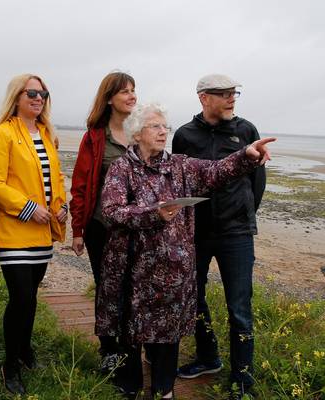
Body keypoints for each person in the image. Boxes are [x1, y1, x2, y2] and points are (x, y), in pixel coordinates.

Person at [96, 103, 274, 399]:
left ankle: (164, 390)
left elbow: (216, 171)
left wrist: (245, 155)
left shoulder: (179, 165)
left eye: (165, 126)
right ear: (137, 134)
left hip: (172, 269)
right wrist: (154, 213)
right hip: (131, 267)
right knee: (130, 329)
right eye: (155, 126)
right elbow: (112, 211)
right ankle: (130, 387)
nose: (164, 131)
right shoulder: (122, 168)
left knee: (167, 334)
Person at [173, 74, 265, 399]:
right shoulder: (184, 135)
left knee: (239, 307)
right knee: (194, 299)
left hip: (236, 234)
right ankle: (208, 358)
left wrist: (242, 213)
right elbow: (178, 181)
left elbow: (257, 183)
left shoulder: (246, 131)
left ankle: (243, 380)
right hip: (195, 232)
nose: (231, 98)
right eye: (224, 94)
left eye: (234, 93)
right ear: (203, 97)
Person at [0, 74, 68, 395]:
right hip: (13, 231)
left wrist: (62, 206)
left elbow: (56, 177)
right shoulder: (1, 134)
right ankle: (9, 364)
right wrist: (28, 207)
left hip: (42, 233)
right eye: (31, 93)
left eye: (43, 93)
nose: (39, 98)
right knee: (20, 297)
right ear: (16, 96)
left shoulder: (48, 134)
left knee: (30, 297)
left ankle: (24, 350)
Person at [69, 71, 137, 372]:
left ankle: (132, 344)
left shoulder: (141, 131)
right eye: (124, 91)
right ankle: (109, 349)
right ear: (109, 98)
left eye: (134, 90)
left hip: (137, 228)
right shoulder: (95, 136)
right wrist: (77, 231)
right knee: (107, 288)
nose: (131, 96)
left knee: (135, 287)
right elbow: (81, 185)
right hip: (102, 227)